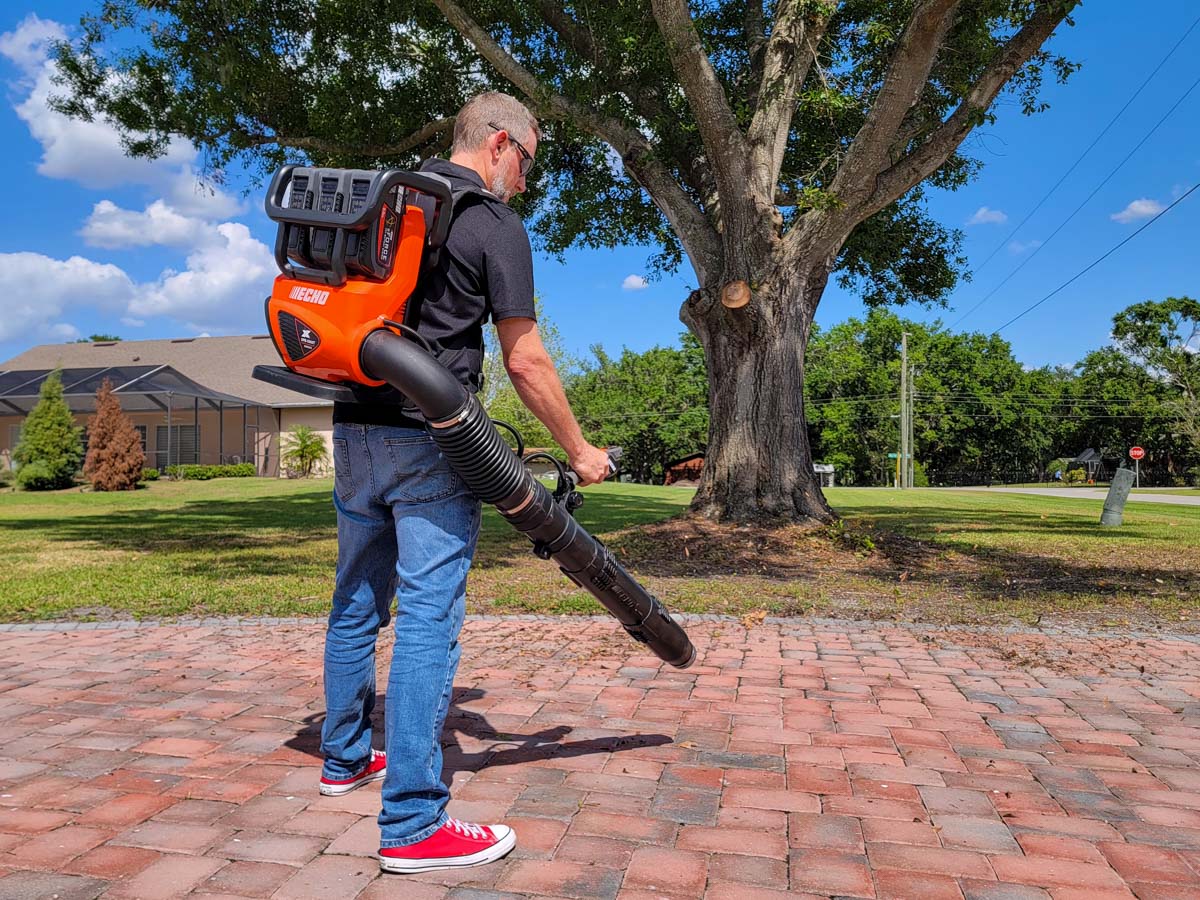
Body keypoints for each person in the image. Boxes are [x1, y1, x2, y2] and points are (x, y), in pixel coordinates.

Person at [316, 92, 610, 875]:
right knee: (427, 620)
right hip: (432, 436)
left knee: (355, 600)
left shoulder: (385, 203)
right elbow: (525, 358)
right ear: (501, 143)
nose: (527, 180)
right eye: (529, 162)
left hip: (353, 428)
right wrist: (579, 449)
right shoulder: (491, 222)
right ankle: (414, 824)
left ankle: (344, 758)